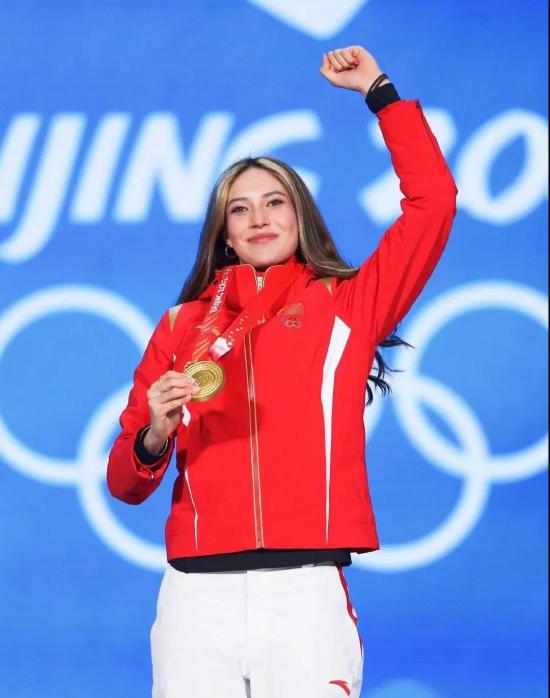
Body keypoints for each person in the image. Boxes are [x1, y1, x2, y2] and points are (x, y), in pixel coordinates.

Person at [107, 45, 458, 698]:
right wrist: (153, 434)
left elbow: (434, 203)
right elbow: (123, 484)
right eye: (241, 209)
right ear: (225, 232)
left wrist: (380, 94)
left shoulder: (349, 306)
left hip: (303, 594)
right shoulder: (181, 326)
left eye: (275, 202)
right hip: (194, 600)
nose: (260, 218)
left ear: (300, 217)